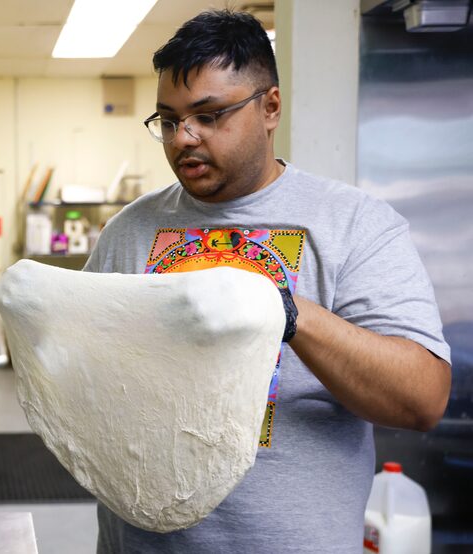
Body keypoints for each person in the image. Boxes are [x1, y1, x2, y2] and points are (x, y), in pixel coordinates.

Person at [83, 9, 451, 553]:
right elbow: (84, 378)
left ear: (270, 107)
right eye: (168, 119)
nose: (183, 138)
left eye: (209, 116)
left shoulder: (351, 225)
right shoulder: (131, 230)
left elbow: (422, 399)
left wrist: (285, 311)